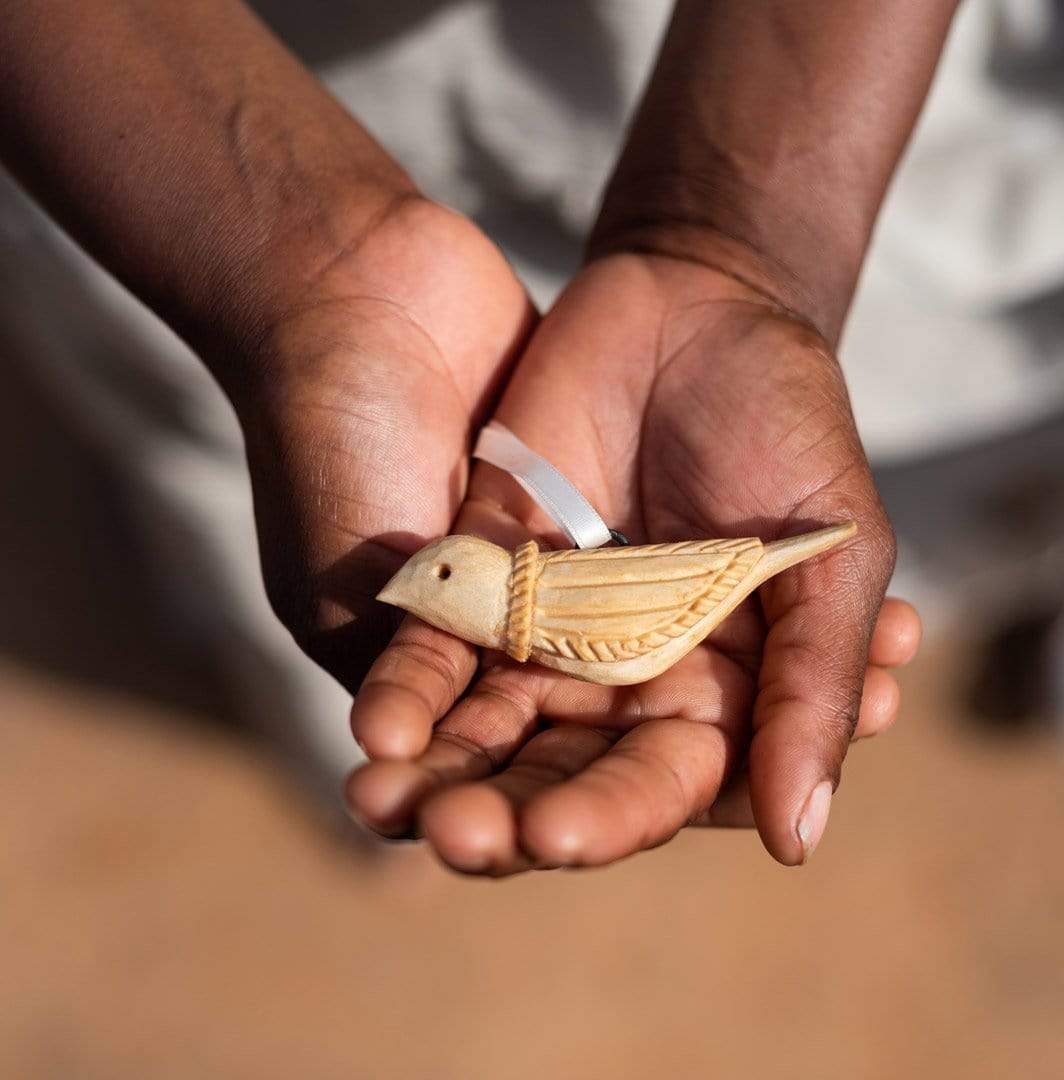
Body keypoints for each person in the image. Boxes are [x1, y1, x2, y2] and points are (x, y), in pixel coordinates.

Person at [1, 2, 946, 876]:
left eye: (445, 577)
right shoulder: (530, 597)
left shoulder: (556, 612)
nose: (421, 575)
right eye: (446, 573)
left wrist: (744, 241)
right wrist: (302, 270)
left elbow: (655, 602)